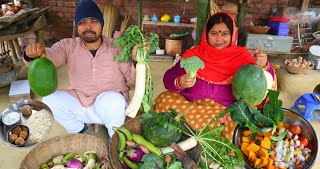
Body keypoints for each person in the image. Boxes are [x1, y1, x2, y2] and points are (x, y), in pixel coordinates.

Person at [153, 12, 277, 141]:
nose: (219, 39)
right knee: (164, 99)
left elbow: (264, 83)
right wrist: (179, 81)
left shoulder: (243, 57)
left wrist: (264, 66)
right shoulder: (194, 54)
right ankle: (200, 136)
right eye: (214, 33)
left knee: (242, 119)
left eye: (224, 34)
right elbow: (168, 78)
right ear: (206, 34)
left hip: (226, 111)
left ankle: (193, 134)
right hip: (193, 107)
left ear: (232, 34)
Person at [24, 0, 139, 138]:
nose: (88, 27)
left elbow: (132, 80)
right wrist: (33, 54)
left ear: (102, 24)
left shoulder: (117, 47)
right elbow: (48, 57)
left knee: (113, 101)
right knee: (49, 99)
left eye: (94, 21)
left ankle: (114, 140)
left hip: (110, 107)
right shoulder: (68, 46)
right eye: (82, 22)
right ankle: (81, 131)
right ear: (77, 26)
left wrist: (136, 60)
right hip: (80, 102)